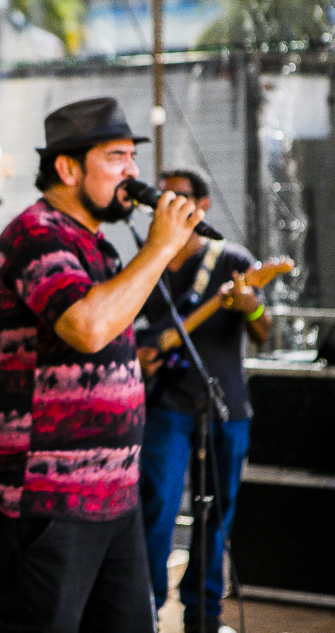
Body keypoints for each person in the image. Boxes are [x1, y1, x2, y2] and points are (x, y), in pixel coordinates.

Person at [0, 96, 207, 633]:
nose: (132, 172)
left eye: (133, 156)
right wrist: (161, 249)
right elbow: (87, 328)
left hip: (113, 494)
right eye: (116, 157)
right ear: (67, 168)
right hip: (49, 498)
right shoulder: (36, 234)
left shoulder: (96, 246)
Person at [136, 168, 270, 633]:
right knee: (158, 508)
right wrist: (141, 353)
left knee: (215, 515)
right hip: (165, 405)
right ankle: (146, 611)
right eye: (160, 196)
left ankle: (204, 616)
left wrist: (250, 306)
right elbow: (123, 325)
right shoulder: (148, 260)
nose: (166, 202)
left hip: (224, 406)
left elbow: (263, 331)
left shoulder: (231, 258)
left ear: (203, 205)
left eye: (177, 195)